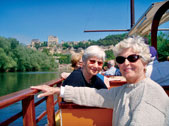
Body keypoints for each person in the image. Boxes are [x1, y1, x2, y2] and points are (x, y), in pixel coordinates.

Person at [31, 36, 169, 126]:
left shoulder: (150, 94)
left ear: (144, 62)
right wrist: (58, 90)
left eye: (132, 58)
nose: (126, 63)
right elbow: (94, 95)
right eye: (121, 60)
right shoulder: (125, 90)